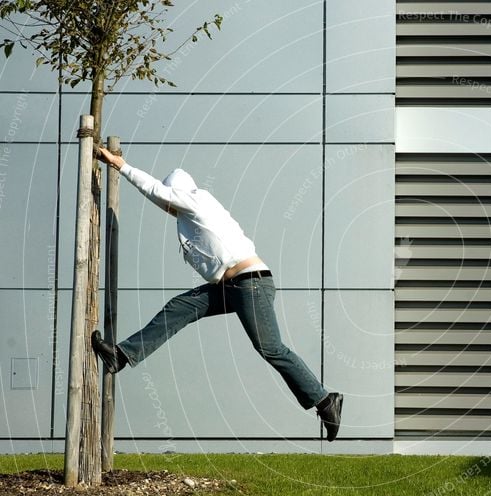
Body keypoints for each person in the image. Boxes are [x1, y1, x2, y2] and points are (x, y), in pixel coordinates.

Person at [90, 147, 343, 441]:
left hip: (251, 284)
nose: (169, 208)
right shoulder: (189, 217)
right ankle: (120, 356)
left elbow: (157, 192)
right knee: (180, 307)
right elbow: (165, 202)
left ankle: (326, 401)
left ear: (179, 191)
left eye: (171, 198)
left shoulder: (198, 200)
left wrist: (120, 165)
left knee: (270, 348)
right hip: (230, 286)